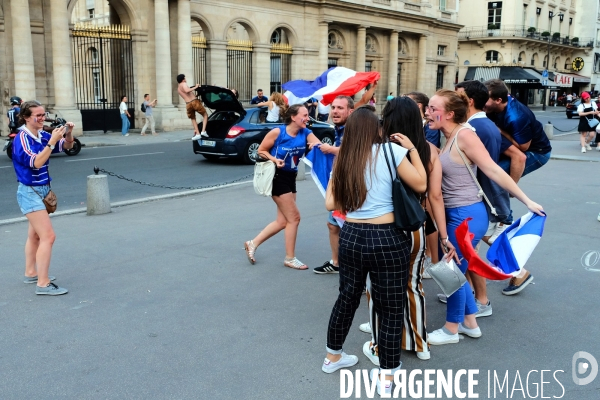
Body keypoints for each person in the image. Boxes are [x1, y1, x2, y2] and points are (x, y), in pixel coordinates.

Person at [424, 90, 544, 345]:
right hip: (459, 214)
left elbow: (491, 169)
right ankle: (470, 323)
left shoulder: (465, 135)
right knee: (456, 272)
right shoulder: (448, 138)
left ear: (449, 113)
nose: (426, 111)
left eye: (432, 107)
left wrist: (527, 200)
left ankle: (451, 329)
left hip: (465, 216)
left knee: (452, 273)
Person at [321, 108, 427, 396]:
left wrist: (337, 169)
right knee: (391, 307)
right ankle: (387, 376)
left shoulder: (344, 157)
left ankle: (333, 357)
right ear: (376, 129)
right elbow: (421, 183)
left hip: (352, 236)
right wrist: (413, 149)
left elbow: (331, 204)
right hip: (388, 237)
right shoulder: (392, 152)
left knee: (347, 297)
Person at [360, 97, 455, 364]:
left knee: (378, 287)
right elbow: (435, 196)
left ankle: (380, 343)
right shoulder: (428, 150)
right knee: (413, 284)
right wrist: (444, 237)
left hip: (384, 225)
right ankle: (419, 342)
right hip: (416, 226)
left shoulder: (377, 149)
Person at [484, 79, 552, 295]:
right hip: (515, 149)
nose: (482, 103)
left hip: (536, 152)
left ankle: (505, 218)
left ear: (499, 100)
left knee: (496, 180)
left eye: (486, 100)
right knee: (492, 177)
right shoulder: (492, 111)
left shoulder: (516, 115)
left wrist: (512, 189)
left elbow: (521, 151)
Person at [454, 80, 512, 317]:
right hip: (479, 199)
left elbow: (486, 170)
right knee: (468, 250)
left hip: (476, 200)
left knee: (470, 251)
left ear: (468, 101)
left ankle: (482, 301)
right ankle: (468, 294)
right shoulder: (481, 125)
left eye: (457, 97)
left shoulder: (475, 129)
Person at [244, 104, 322, 270]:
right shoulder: (278, 132)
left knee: (283, 221)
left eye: (308, 115)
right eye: (305, 115)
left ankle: (252, 243)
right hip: (277, 177)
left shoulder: (305, 132)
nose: (308, 118)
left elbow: (319, 145)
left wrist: (315, 146)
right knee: (294, 218)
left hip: (290, 177)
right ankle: (290, 258)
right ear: (293, 117)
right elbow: (261, 150)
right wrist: (274, 159)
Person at [11, 100, 76, 295]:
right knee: (48, 236)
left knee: (35, 235)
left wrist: (69, 133)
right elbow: (37, 163)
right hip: (29, 191)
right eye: (37, 115)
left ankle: (31, 272)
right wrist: (51, 142)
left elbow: (66, 146)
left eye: (43, 114)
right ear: (25, 117)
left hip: (42, 190)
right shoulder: (21, 138)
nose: (42, 118)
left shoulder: (41, 134)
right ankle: (43, 283)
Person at [312, 87, 378, 275]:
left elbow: (361, 150)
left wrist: (331, 150)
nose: (335, 111)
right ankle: (337, 263)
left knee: (354, 227)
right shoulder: (339, 128)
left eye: (340, 108)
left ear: (351, 111)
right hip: (343, 184)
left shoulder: (354, 128)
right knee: (334, 224)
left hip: (355, 186)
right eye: (333, 107)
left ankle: (361, 269)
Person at [176, 73, 208, 141]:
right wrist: (196, 87)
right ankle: (203, 131)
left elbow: (187, 95)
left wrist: (196, 95)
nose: (185, 79)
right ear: (183, 79)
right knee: (205, 115)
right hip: (194, 102)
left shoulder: (178, 88)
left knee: (193, 118)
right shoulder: (183, 84)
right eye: (185, 78)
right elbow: (187, 91)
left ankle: (198, 134)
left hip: (188, 104)